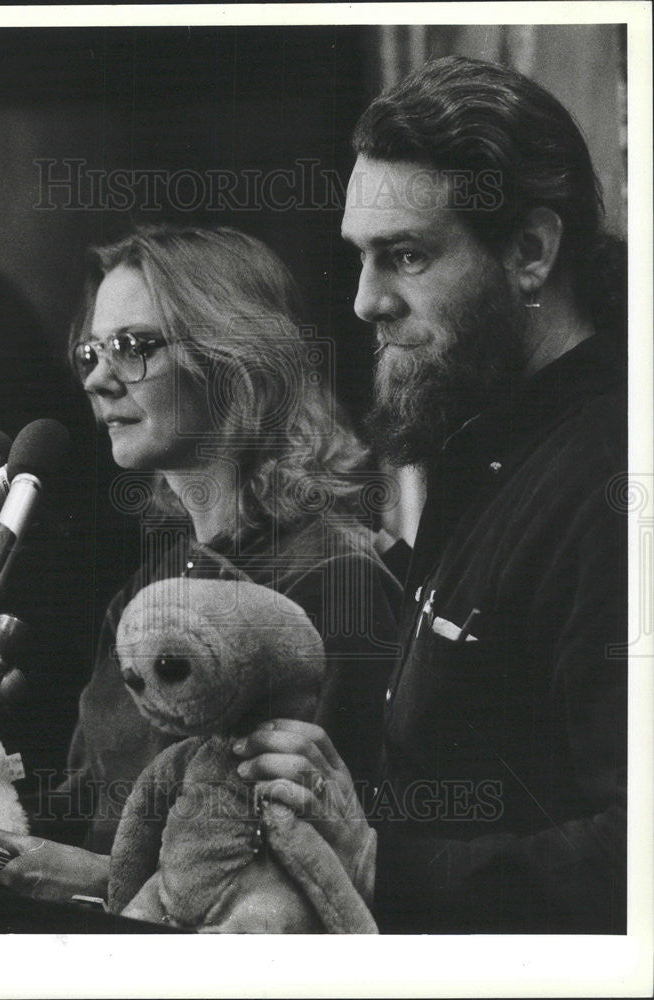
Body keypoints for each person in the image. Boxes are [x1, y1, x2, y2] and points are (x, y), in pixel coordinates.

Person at [233, 56, 627, 933]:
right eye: (362, 260)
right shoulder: (486, 442)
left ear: (530, 250)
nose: (369, 301)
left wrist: (378, 860)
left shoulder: (617, 479)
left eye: (406, 255)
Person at [0, 223, 400, 905]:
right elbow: (92, 810)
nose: (96, 377)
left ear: (234, 358)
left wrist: (89, 881)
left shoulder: (334, 575)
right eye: (91, 350)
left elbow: (302, 873)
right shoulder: (151, 584)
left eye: (133, 347)